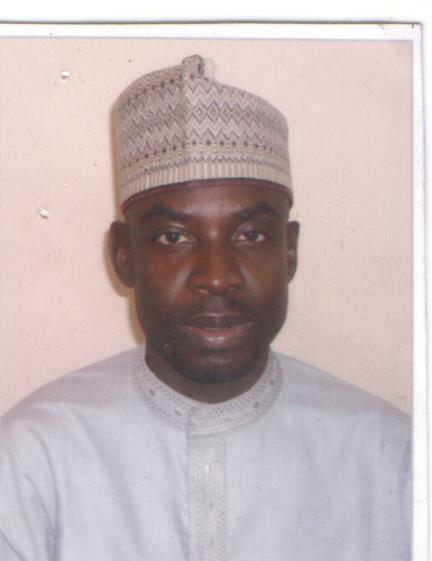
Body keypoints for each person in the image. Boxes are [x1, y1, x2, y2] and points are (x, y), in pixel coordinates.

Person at [0, 54, 410, 561]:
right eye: (174, 237)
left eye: (250, 235)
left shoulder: (391, 456)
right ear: (124, 256)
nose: (217, 277)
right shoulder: (31, 458)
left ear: (289, 251)